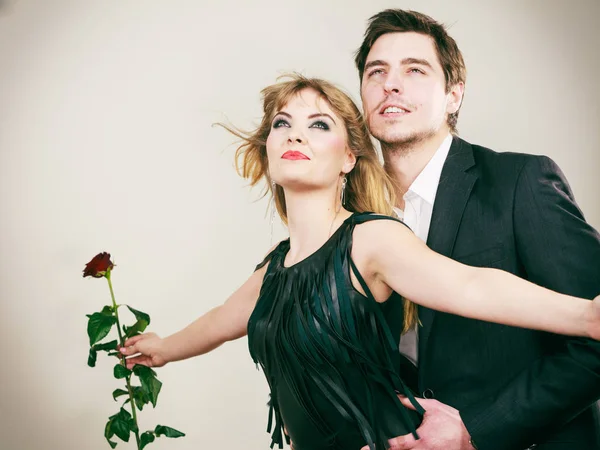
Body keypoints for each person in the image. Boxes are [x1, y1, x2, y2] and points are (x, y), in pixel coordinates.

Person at [119, 74, 600, 450]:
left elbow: (470, 286)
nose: (296, 135)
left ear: (349, 157)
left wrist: (585, 315)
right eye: (282, 123)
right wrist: (162, 348)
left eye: (319, 125)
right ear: (267, 148)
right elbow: (221, 321)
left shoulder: (371, 239)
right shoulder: (273, 271)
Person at [354, 9, 600, 450]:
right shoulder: (354, 215)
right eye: (377, 71)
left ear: (453, 94)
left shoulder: (520, 182)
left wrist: (477, 430)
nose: (391, 83)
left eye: (414, 69)